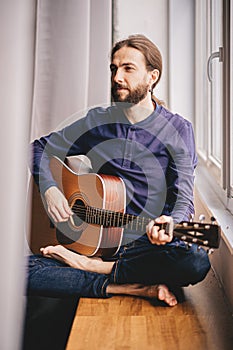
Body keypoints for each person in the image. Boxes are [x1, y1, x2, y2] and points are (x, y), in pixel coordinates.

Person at [27, 34, 211, 307]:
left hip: (144, 248)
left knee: (196, 262)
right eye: (114, 68)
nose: (117, 77)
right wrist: (51, 189)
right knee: (12, 272)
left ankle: (93, 269)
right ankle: (125, 285)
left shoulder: (177, 130)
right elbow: (38, 148)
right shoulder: (97, 123)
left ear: (152, 77)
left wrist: (171, 225)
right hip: (95, 242)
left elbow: (183, 197)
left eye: (128, 69)